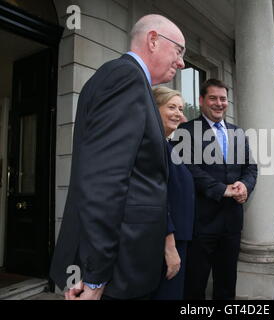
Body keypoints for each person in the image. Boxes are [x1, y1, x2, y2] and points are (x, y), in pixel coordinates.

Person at [49, 14, 185, 300]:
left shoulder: (126, 80)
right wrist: (96, 276)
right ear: (153, 40)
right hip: (117, 273)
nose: (181, 62)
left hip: (125, 267)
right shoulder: (125, 78)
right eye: (179, 51)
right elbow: (103, 181)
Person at [174, 79, 258, 300]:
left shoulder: (237, 132)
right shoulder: (186, 131)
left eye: (223, 99)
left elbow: (250, 167)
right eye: (213, 98)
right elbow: (187, 169)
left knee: (227, 285)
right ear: (201, 101)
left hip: (231, 224)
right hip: (200, 224)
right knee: (194, 285)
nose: (219, 103)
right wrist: (222, 189)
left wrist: (244, 185)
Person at [151, 87, 195, 300]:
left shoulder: (167, 145)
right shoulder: (153, 146)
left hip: (179, 240)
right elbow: (157, 198)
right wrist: (169, 247)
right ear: (154, 108)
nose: (179, 113)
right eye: (171, 107)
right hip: (164, 244)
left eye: (180, 108)